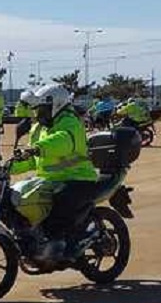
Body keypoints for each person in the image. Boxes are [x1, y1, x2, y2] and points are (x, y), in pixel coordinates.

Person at [8, 83, 99, 261]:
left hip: (78, 178)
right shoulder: (41, 128)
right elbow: (34, 160)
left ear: (55, 105)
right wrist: (9, 167)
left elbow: (63, 141)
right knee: (20, 197)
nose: (38, 113)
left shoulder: (70, 122)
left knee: (60, 200)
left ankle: (67, 246)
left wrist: (38, 148)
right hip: (50, 180)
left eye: (42, 109)